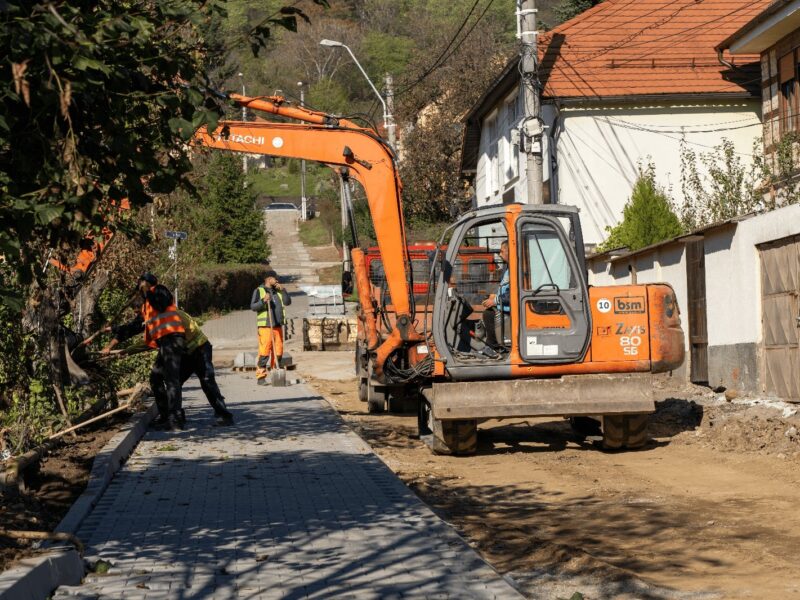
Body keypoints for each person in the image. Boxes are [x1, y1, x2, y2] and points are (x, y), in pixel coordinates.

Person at [102, 273, 186, 430]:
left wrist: (147, 290)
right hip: (165, 343)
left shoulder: (160, 291)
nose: (139, 291)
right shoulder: (146, 306)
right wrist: (110, 343)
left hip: (173, 339)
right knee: (155, 378)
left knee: (171, 379)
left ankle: (175, 420)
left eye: (141, 286)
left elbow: (160, 305)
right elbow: (133, 327)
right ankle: (167, 416)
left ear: (146, 284)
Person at [144, 309, 234, 426]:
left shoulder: (175, 315)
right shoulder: (157, 320)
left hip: (200, 350)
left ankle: (224, 415)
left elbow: (188, 331)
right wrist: (128, 351)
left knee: (207, 382)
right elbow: (150, 342)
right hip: (186, 354)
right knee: (174, 383)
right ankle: (176, 417)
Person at [250, 271, 291, 385]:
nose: (277, 280)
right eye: (275, 278)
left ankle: (275, 374)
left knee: (278, 351)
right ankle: (261, 377)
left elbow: (287, 302)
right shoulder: (259, 290)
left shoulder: (278, 292)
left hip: (277, 326)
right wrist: (263, 301)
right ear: (268, 279)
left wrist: (283, 290)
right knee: (264, 352)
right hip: (265, 327)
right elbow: (253, 307)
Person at [480, 240, 510, 348]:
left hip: (510, 307)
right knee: (487, 313)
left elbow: (513, 294)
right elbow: (504, 287)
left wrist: (495, 301)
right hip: (504, 303)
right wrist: (494, 294)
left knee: (488, 314)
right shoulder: (507, 268)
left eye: (502, 251)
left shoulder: (516, 268)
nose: (500, 255)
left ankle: (493, 346)